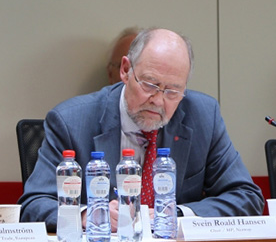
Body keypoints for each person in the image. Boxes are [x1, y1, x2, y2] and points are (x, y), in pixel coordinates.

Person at [18, 27, 264, 233]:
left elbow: (246, 196)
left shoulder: (203, 116)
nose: (158, 100)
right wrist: (85, 216)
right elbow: (34, 204)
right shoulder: (71, 121)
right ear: (125, 70)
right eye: (150, 84)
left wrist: (176, 214)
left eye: (172, 91)